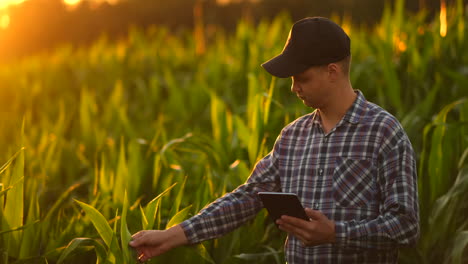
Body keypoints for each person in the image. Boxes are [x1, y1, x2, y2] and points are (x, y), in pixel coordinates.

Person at [129, 17, 420, 263]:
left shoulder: (383, 133)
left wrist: (335, 233)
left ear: (332, 71)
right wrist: (172, 236)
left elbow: (406, 227)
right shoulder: (293, 137)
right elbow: (245, 199)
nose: (293, 88)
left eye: (301, 78)